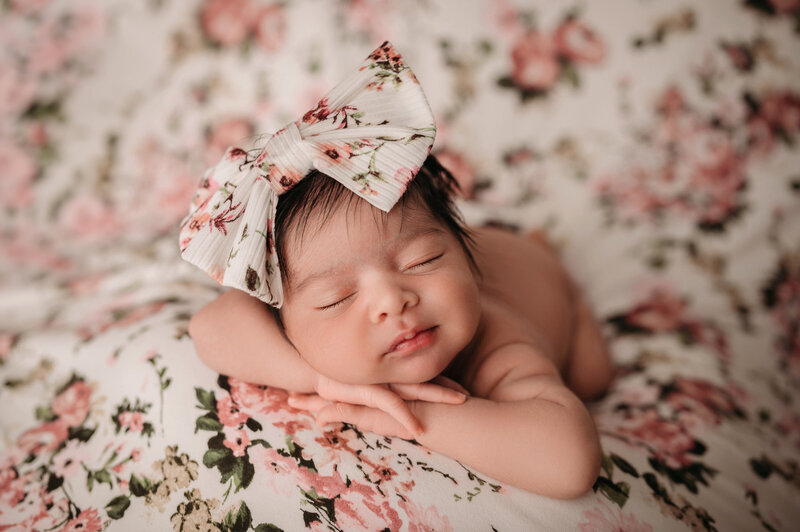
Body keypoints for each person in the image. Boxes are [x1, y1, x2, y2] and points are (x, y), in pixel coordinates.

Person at [181, 41, 614, 499]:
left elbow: (568, 462)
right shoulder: (299, 329)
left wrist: (409, 415)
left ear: (463, 254)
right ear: (285, 321)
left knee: (591, 377)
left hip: (536, 276)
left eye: (422, 260)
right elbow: (210, 326)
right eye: (337, 297)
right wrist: (321, 381)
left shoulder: (496, 342)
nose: (392, 300)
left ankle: (547, 259)